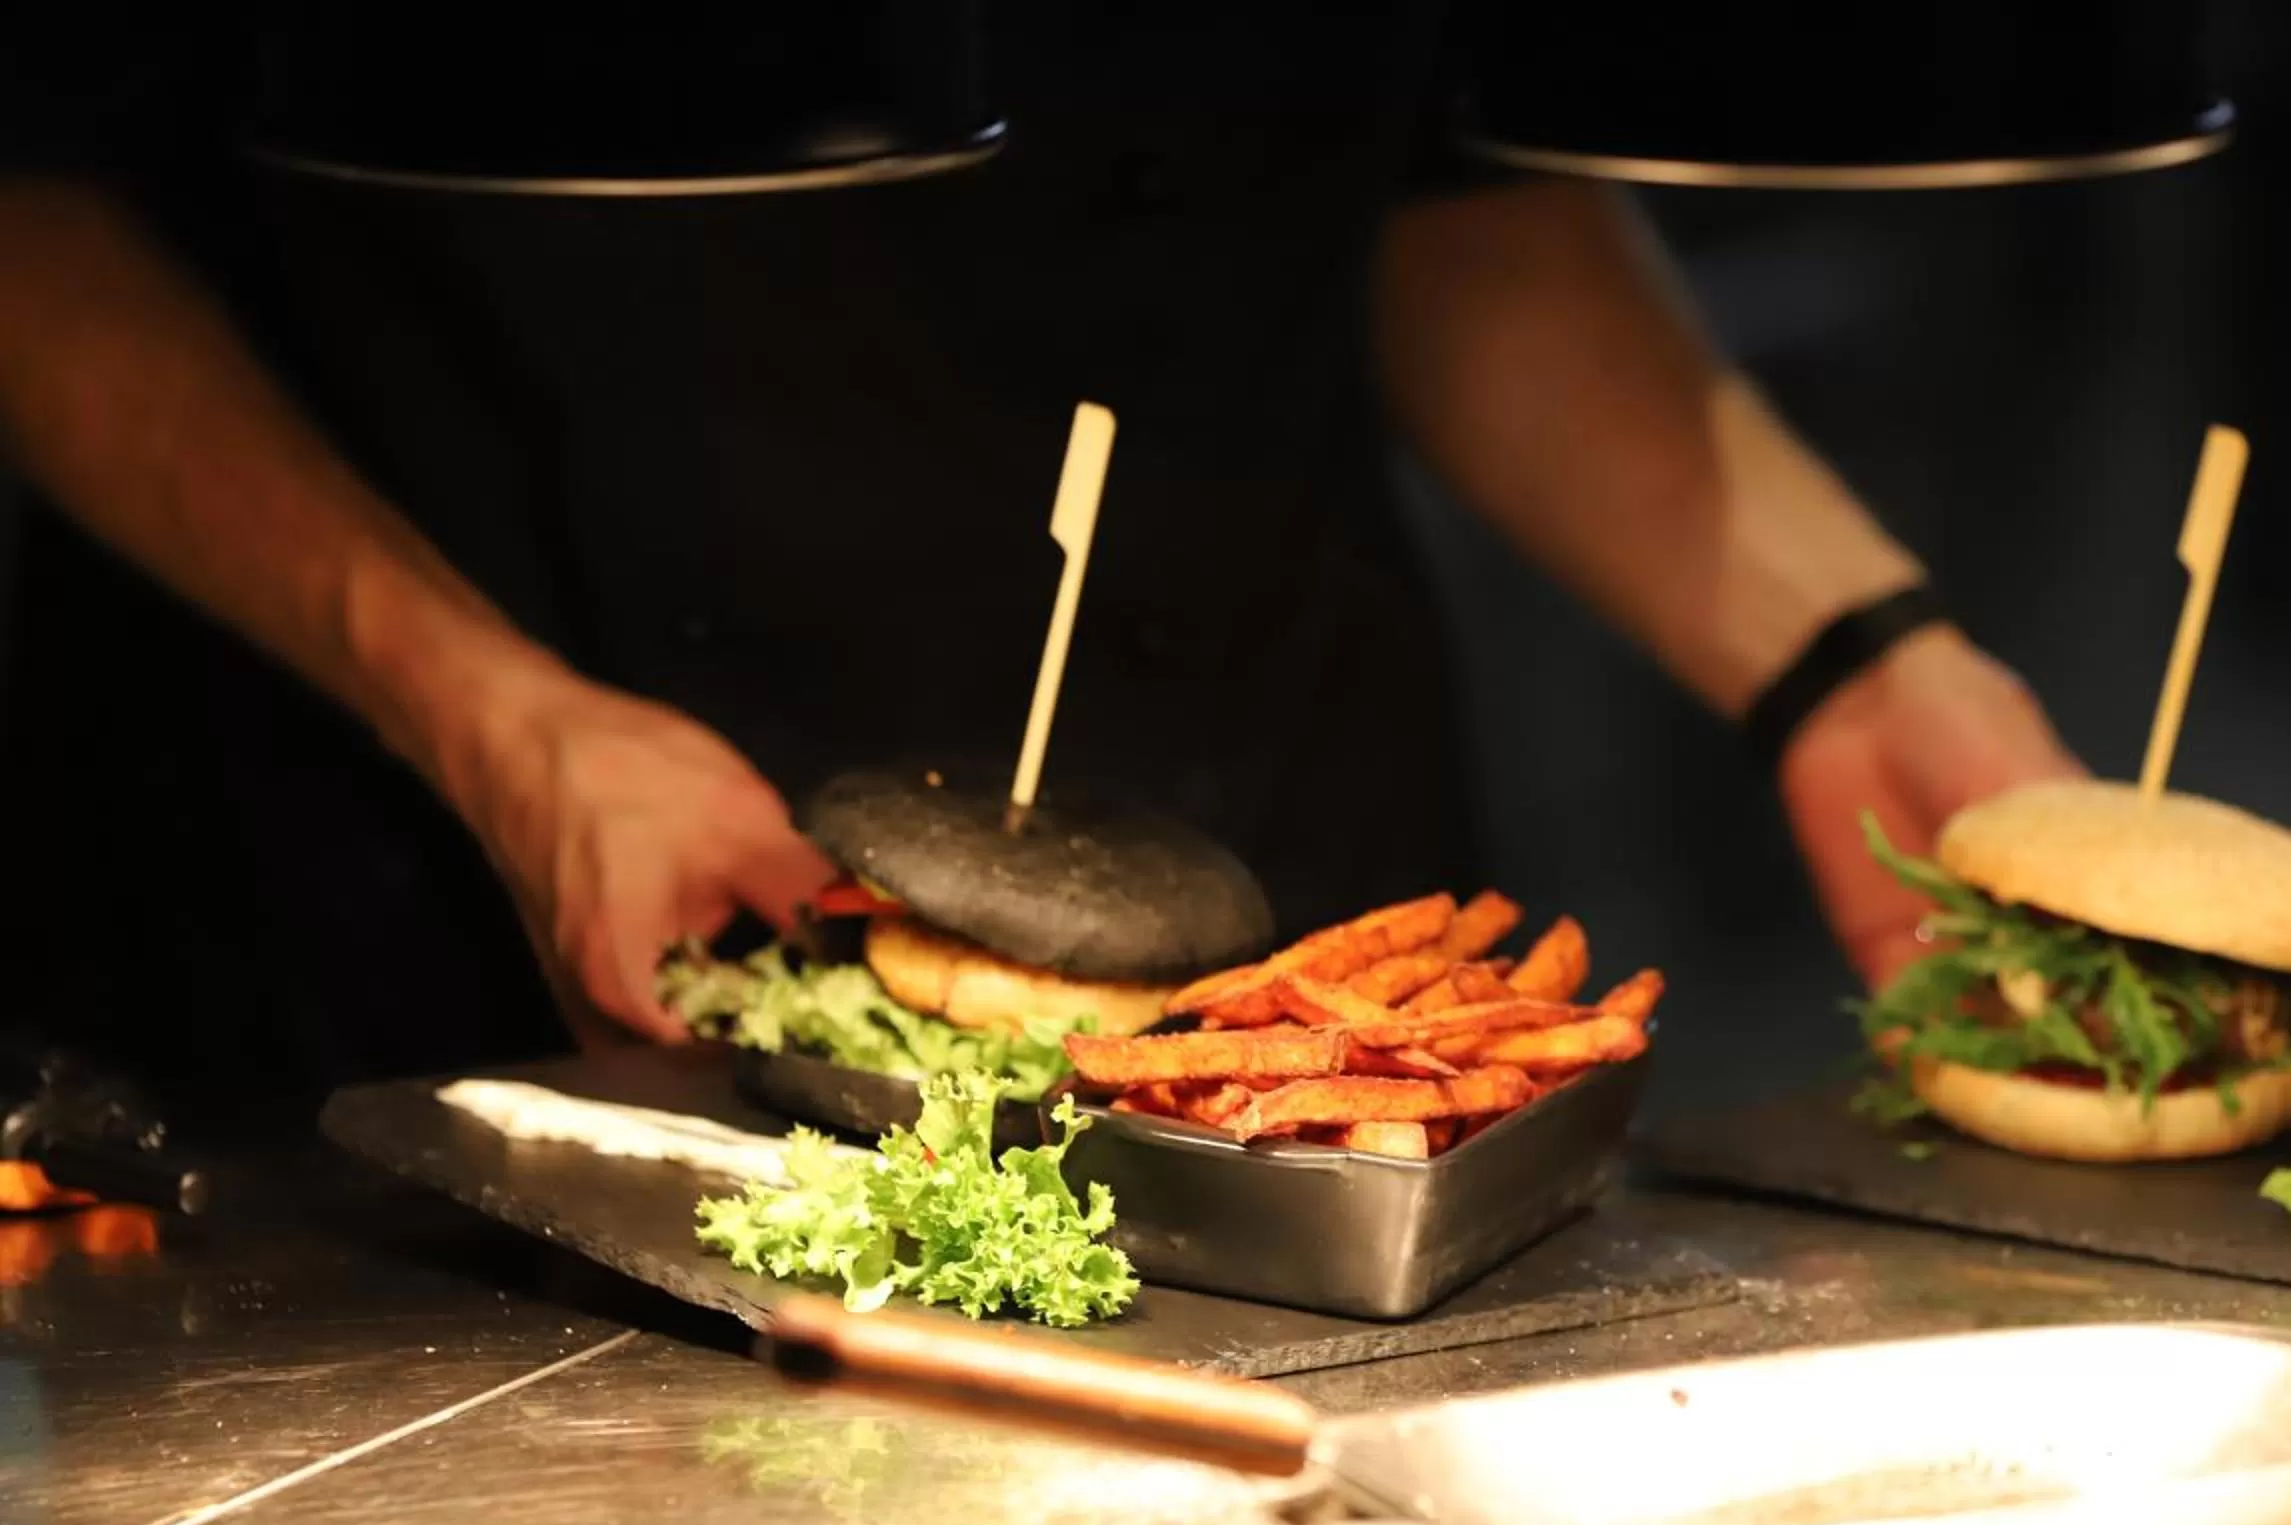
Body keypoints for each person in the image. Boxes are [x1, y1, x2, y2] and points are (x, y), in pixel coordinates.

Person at [0, 7, 2077, 1102]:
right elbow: (35, 207)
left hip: (1296, 898)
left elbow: (1442, 193)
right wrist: (489, 714)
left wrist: (1852, 653)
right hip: (488, 885)